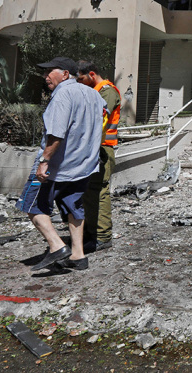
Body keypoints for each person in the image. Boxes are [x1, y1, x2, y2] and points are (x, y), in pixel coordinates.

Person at [19, 57, 106, 272]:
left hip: (58, 166)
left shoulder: (63, 94)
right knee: (73, 208)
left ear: (66, 74)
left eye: (50, 71)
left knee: (31, 205)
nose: (45, 76)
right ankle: (78, 255)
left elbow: (56, 133)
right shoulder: (94, 94)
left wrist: (44, 161)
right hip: (83, 165)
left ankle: (57, 246)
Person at [77, 60, 121, 253]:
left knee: (99, 192)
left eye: (81, 78)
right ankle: (91, 232)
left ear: (92, 75)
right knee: (89, 192)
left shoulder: (107, 92)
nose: (79, 83)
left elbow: (100, 119)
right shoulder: (96, 92)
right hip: (93, 147)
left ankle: (102, 237)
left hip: (102, 149)